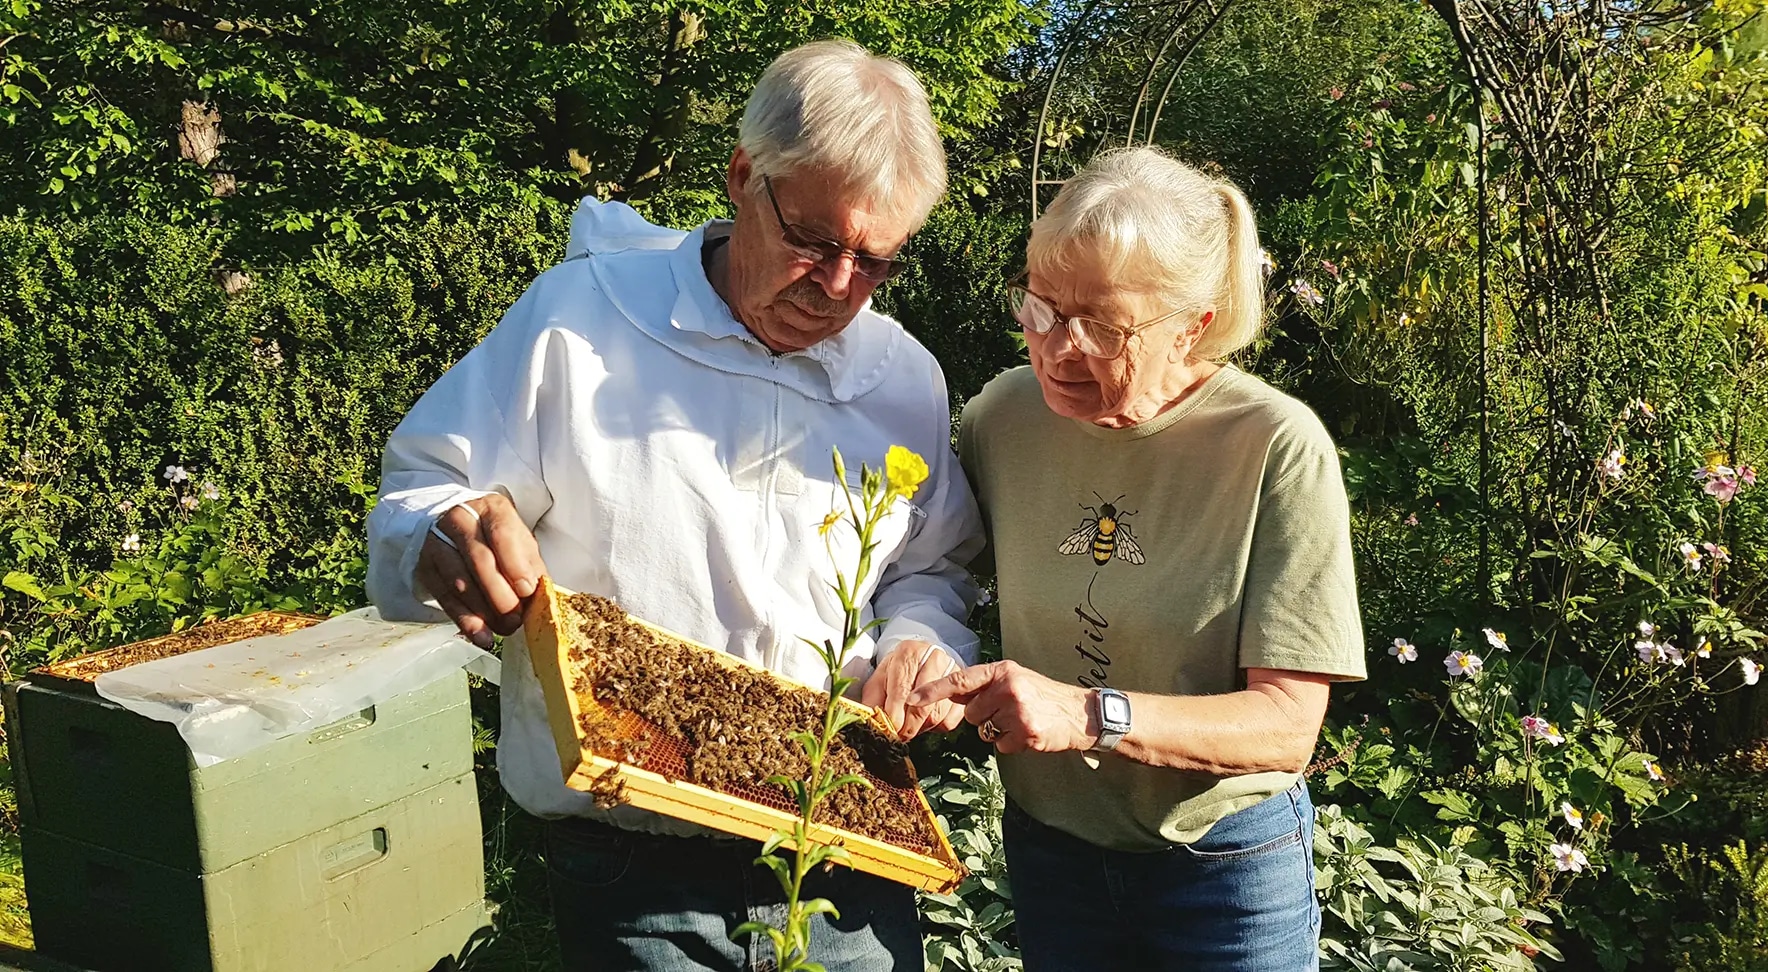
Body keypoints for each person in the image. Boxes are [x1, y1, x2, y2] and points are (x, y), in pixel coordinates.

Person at [365, 40, 983, 972]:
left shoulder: (905, 379)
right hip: (635, 870)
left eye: (874, 260)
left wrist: (919, 643)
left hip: (846, 866)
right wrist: (439, 537)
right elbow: (424, 491)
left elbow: (932, 569)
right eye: (815, 242)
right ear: (742, 177)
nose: (838, 286)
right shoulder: (579, 322)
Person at [909, 146, 1368, 971]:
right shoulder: (1002, 417)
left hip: (1223, 868)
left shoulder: (1275, 446)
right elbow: (932, 577)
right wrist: (923, 660)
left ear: (1193, 326)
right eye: (1041, 307)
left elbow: (1287, 729)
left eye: (1103, 327)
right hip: (1052, 854)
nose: (1057, 349)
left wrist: (1090, 715)